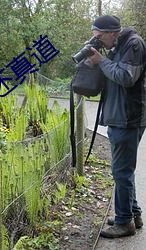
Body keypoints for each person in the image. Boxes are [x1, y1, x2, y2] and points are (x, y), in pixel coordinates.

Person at [88, 15, 146, 238]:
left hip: (128, 118)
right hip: (118, 117)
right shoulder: (117, 46)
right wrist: (98, 59)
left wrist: (101, 61)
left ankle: (124, 223)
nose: (99, 41)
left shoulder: (134, 44)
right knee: (123, 171)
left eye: (100, 37)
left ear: (112, 32)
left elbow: (125, 77)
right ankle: (133, 214)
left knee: (121, 171)